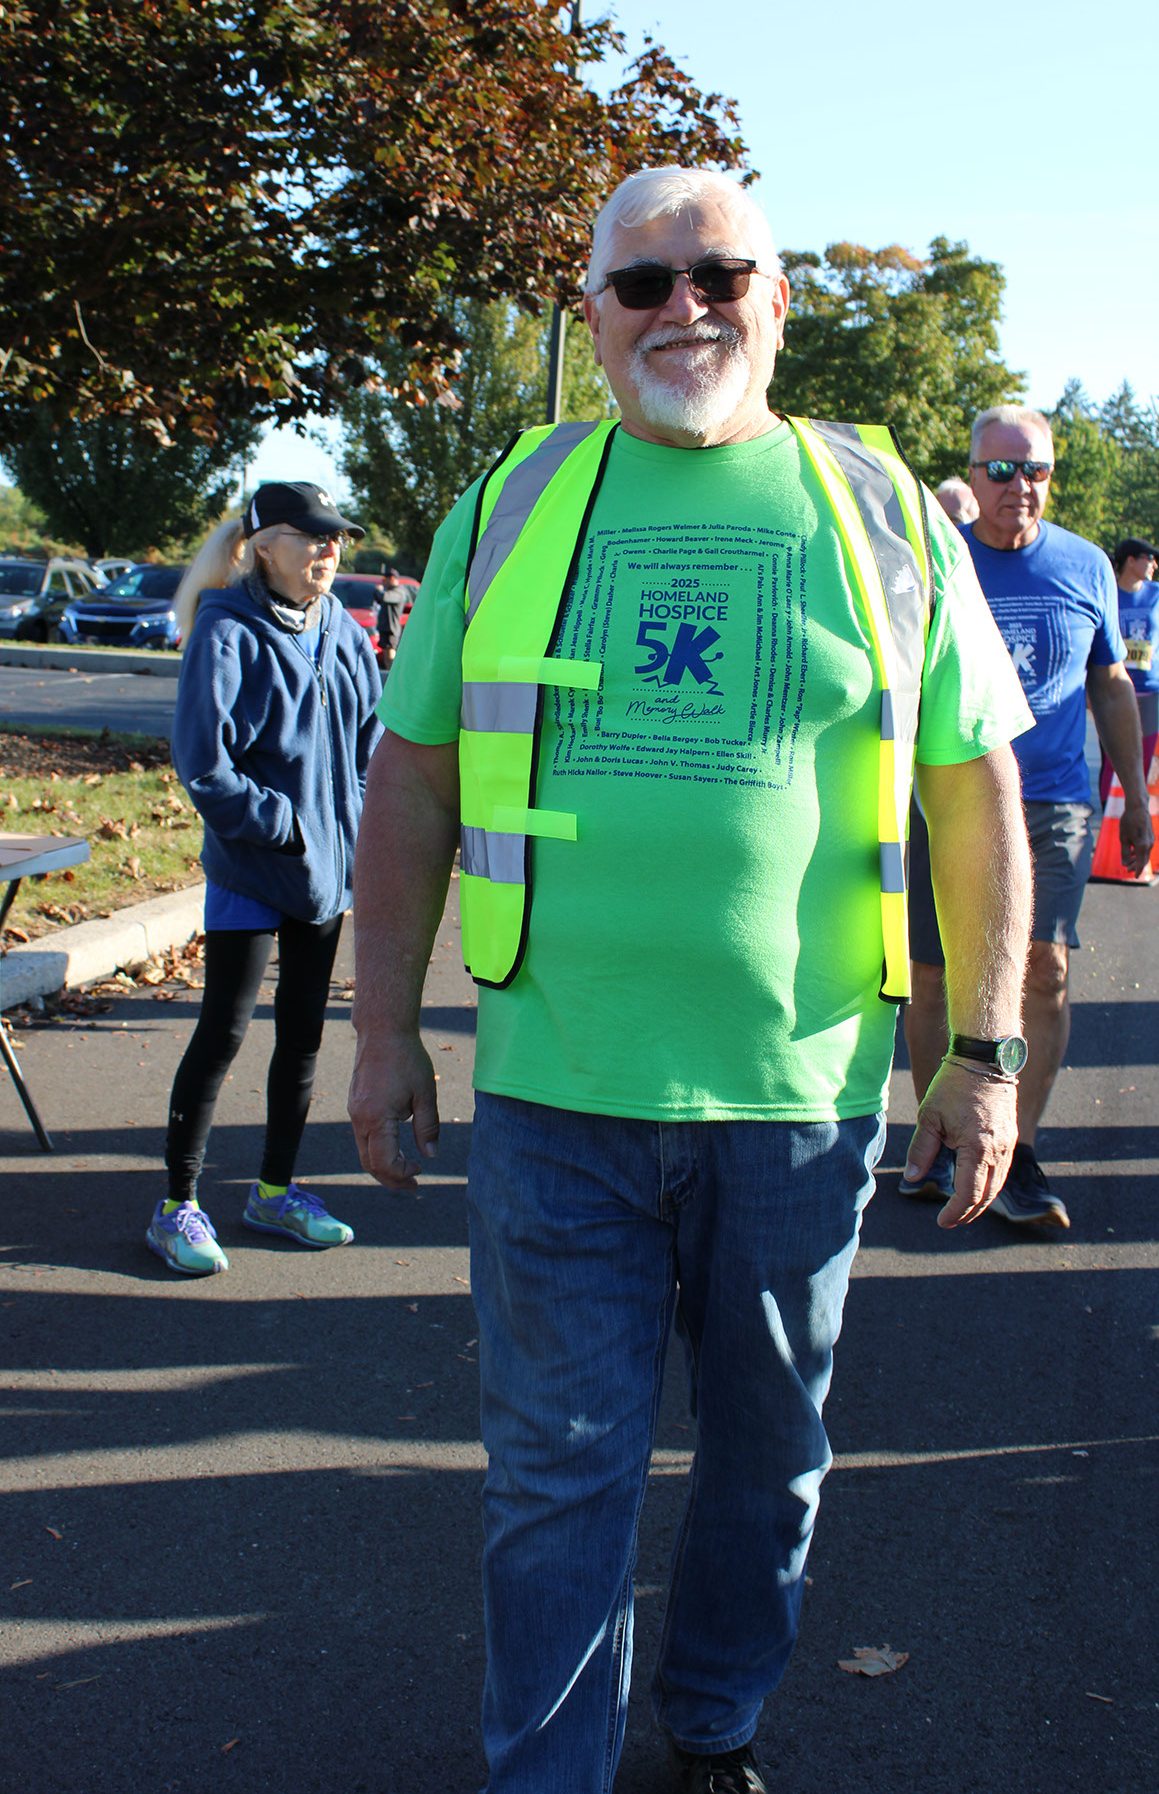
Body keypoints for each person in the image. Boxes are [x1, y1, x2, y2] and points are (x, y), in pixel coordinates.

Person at [348, 168, 1033, 1794]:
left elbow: (969, 792)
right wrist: (379, 1032)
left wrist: (984, 1049)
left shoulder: (880, 510)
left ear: (775, 299)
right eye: (640, 283)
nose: (683, 308)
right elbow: (413, 779)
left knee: (767, 1459)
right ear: (589, 315)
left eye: (717, 274)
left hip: (797, 1095)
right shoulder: (506, 503)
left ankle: (713, 1713)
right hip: (554, 1088)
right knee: (554, 1475)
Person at [901, 410, 1154, 1229]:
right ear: (973, 475)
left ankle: (1016, 1149)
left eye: (1035, 470)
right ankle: (940, 1139)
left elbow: (1108, 683)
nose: (1020, 486)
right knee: (933, 974)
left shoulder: (1084, 564)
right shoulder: (935, 560)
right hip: (943, 797)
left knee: (1043, 969)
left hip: (1051, 800)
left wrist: (1135, 799)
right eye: (1001, 470)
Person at [147, 481, 383, 1275]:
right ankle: (176, 1208)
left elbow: (370, 744)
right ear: (263, 545)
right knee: (223, 1033)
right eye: (312, 536)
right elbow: (203, 766)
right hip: (251, 870)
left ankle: (274, 1194)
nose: (329, 549)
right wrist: (283, 826)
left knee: (304, 1037)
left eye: (336, 537)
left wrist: (349, 828)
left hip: (325, 877)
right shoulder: (224, 630)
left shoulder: (342, 629)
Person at [1099, 537, 1159, 803]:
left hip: (1151, 691)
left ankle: (1142, 813)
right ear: (1131, 561)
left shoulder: (1156, 593)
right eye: (1149, 558)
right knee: (1114, 759)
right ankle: (1110, 814)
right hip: (1115, 690)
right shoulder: (1108, 594)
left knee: (1148, 758)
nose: (1154, 564)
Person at [376, 567, 411, 666]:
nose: (383, 582)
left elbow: (385, 597)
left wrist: (379, 590)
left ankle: (392, 671)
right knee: (386, 654)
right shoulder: (390, 591)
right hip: (385, 627)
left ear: (391, 578)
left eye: (384, 579)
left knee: (391, 654)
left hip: (392, 629)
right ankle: (388, 671)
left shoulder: (398, 592)